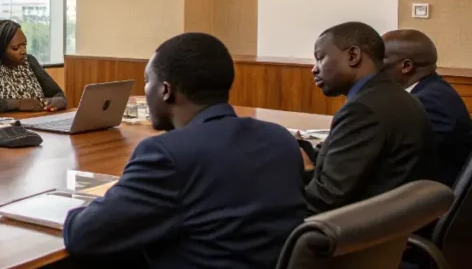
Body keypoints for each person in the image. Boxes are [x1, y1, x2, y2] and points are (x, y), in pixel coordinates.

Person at [64, 33, 306, 268]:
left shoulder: (167, 155)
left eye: (148, 81)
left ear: (166, 91)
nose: (145, 89)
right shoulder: (280, 138)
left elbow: (83, 235)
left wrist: (103, 201)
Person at [305, 21, 437, 214]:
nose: (314, 69)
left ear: (353, 56)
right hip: (390, 224)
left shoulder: (364, 109)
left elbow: (327, 197)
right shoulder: (390, 95)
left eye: (320, 58)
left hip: (358, 231)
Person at [383, 29, 472, 187]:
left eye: (380, 59)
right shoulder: (432, 90)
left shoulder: (430, 104)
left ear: (406, 66)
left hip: (428, 200)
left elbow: (398, 162)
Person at [0, 19, 66, 115]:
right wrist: (18, 104)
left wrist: (59, 101)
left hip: (37, 121)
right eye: (15, 48)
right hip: (1, 129)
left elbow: (57, 93)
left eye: (24, 45)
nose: (23, 51)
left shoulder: (29, 61)